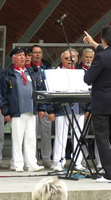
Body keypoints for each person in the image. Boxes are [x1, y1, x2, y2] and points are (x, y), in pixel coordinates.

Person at [0, 47, 45, 172]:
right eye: (19, 55)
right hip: (17, 111)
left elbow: (40, 90)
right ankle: (17, 163)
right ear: (13, 58)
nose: (22, 57)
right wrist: (6, 112)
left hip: (31, 110)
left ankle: (31, 163)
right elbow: (3, 95)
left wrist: (41, 107)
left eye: (23, 55)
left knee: (31, 138)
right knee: (17, 139)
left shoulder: (32, 72)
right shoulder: (7, 74)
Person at [51, 48, 89, 172]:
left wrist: (88, 108)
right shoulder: (57, 72)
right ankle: (58, 162)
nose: (70, 61)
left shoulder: (81, 72)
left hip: (79, 108)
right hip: (62, 109)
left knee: (78, 137)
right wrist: (51, 110)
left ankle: (77, 162)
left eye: (72, 58)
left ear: (77, 59)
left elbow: (87, 90)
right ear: (62, 60)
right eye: (67, 58)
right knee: (60, 136)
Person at [84, 25, 111, 183]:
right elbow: (106, 52)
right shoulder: (105, 54)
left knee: (102, 137)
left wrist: (90, 68)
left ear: (104, 39)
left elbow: (88, 79)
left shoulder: (101, 57)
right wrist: (94, 43)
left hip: (102, 103)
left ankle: (109, 174)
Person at [30, 45, 54, 169]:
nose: (37, 55)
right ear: (31, 54)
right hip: (34, 106)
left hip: (47, 105)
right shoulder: (29, 69)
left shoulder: (48, 67)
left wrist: (48, 108)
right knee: (31, 134)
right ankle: (32, 159)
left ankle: (46, 159)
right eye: (35, 52)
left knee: (46, 133)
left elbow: (50, 89)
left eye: (39, 52)